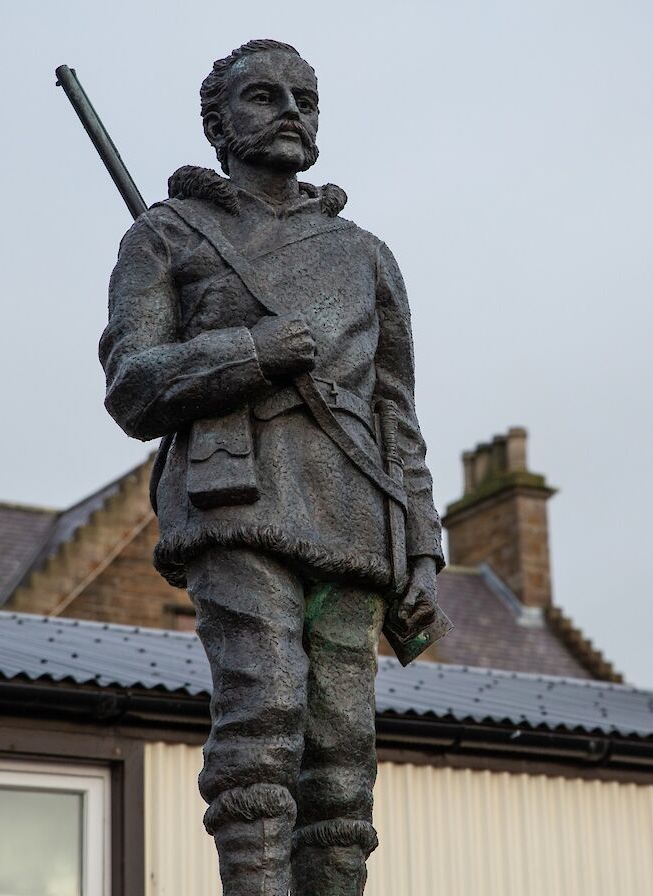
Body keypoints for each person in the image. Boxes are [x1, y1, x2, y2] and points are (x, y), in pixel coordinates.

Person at [99, 38, 445, 896]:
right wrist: (249, 351)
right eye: (266, 95)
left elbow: (396, 412)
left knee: (342, 755)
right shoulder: (167, 235)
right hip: (238, 497)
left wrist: (424, 549)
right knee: (265, 714)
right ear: (219, 123)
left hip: (354, 512)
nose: (292, 110)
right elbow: (132, 386)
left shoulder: (365, 255)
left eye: (306, 97)